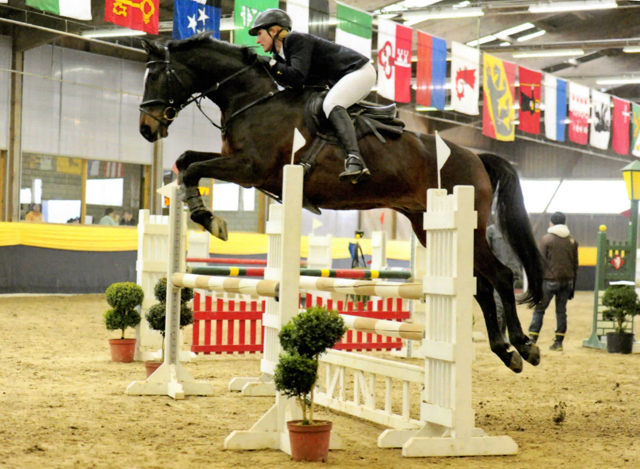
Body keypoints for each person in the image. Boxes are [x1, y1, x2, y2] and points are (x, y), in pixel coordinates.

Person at [249, 9, 377, 184]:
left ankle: (355, 159)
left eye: (260, 34)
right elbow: (293, 85)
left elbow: (297, 76)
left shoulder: (295, 40)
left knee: (331, 104)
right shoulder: (280, 55)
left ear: (274, 30)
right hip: (343, 78)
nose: (257, 40)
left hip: (359, 71)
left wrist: (271, 64)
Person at [528, 211, 579, 351]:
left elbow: (540, 263)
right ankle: (558, 342)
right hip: (567, 281)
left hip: (550, 280)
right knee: (561, 311)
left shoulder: (546, 239)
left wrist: (536, 283)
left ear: (552, 222)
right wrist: (572, 287)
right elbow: (575, 265)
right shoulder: (572, 241)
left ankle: (532, 338)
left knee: (539, 310)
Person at [486, 223, 523, 343]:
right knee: (500, 306)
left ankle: (501, 334)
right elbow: (487, 251)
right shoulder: (491, 231)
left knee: (508, 305)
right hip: (498, 273)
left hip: (511, 273)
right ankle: (498, 335)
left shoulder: (516, 230)